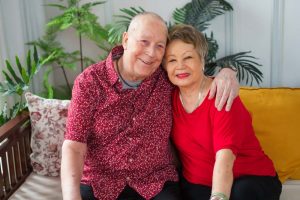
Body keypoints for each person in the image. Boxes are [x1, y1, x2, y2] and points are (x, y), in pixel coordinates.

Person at [61, 12, 239, 200]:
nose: (151, 53)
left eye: (159, 46)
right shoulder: (90, 82)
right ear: (126, 39)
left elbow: (196, 76)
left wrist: (228, 72)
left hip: (154, 183)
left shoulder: (167, 77)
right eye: (144, 42)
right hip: (101, 182)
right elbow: (74, 145)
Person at [164, 24, 282, 200]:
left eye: (188, 57)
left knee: (241, 192)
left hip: (249, 180)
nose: (180, 66)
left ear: (202, 60)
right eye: (172, 60)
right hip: (198, 184)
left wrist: (218, 196)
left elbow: (225, 161)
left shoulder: (222, 94)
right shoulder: (167, 96)